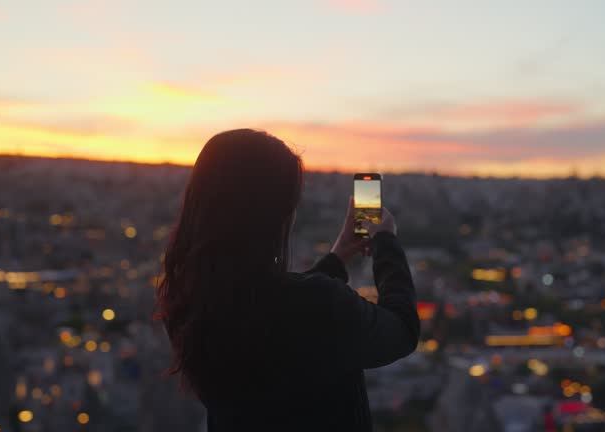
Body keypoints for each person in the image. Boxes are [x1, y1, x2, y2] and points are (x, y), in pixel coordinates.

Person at [155, 129, 419, 431]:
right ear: (270, 216)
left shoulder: (188, 300)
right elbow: (402, 330)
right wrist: (386, 243)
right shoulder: (313, 305)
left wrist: (337, 257)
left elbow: (279, 310)